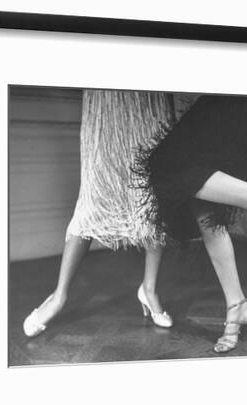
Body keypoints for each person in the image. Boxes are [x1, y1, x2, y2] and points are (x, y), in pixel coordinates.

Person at [135, 94, 247, 353]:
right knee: (204, 206)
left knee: (167, 165)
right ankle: (237, 305)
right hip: (241, 96)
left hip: (243, 93)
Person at [23, 90, 180, 337]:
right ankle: (59, 296)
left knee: (154, 192)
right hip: (108, 99)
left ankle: (149, 289)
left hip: (150, 96)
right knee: (94, 197)